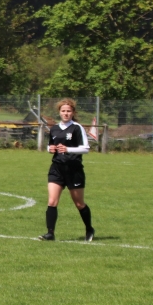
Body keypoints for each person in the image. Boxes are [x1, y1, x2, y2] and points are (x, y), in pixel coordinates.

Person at [39, 98, 95, 242]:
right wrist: (50, 149)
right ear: (59, 112)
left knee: (79, 204)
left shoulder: (77, 128)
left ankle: (89, 229)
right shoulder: (54, 129)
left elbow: (86, 148)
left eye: (68, 111)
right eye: (63, 111)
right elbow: (50, 145)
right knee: (52, 201)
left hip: (73, 170)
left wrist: (68, 149)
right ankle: (50, 233)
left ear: (73, 112)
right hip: (56, 168)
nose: (66, 113)